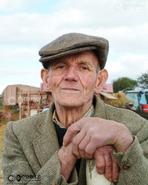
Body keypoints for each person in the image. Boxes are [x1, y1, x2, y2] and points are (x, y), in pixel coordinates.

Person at [2, 33, 148, 185]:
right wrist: (68, 153)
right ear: (46, 79)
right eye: (60, 67)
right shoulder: (19, 133)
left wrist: (123, 141)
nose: (70, 76)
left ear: (99, 80)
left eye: (83, 67)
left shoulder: (137, 128)